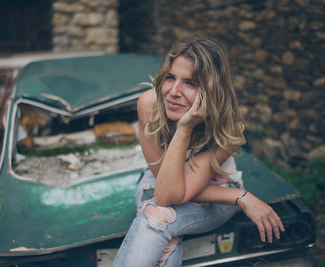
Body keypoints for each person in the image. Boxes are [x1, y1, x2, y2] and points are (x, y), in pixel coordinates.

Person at [112, 35, 284, 267]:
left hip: (215, 193)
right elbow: (166, 190)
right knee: (160, 221)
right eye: (170, 78)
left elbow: (171, 195)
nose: (174, 91)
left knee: (155, 217)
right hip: (160, 183)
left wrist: (185, 127)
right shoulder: (150, 105)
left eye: (190, 83)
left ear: (211, 89)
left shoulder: (225, 127)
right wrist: (242, 198)